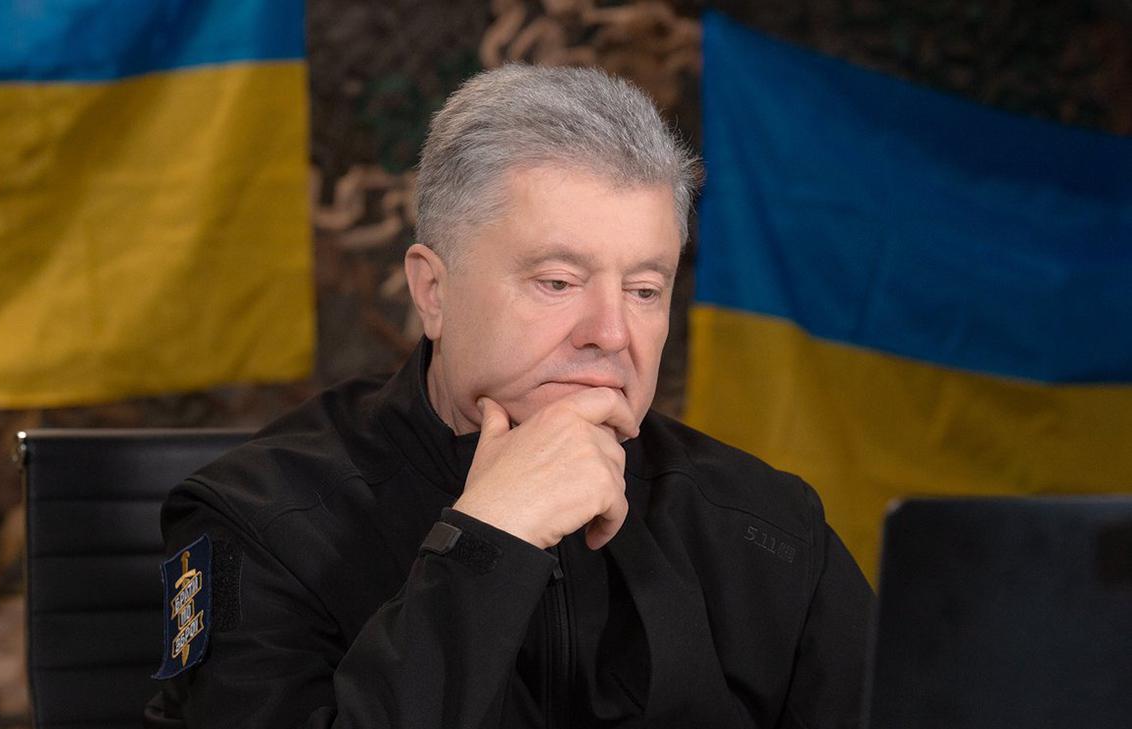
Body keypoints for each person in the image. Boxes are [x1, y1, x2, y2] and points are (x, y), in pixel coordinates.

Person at [144, 64, 873, 729]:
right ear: (433, 291)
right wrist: (489, 540)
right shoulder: (255, 521)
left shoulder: (770, 526)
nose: (611, 333)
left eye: (644, 289)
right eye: (558, 282)